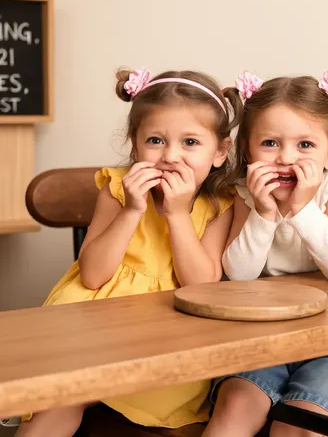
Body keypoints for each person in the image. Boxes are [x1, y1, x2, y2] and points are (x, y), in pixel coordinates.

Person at [17, 68, 242, 437]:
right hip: (94, 320)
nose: (171, 156)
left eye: (190, 143)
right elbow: (91, 275)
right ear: (135, 145)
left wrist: (176, 213)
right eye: (155, 140)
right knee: (64, 397)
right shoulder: (118, 189)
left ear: (220, 151)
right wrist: (132, 210)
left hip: (164, 332)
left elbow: (201, 284)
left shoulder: (221, 204)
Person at [204, 70, 328, 437]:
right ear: (247, 150)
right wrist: (264, 212)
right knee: (235, 410)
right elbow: (238, 275)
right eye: (270, 143)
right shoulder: (245, 191)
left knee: (300, 424)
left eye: (305, 145)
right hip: (265, 337)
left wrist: (303, 209)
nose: (286, 158)